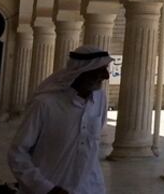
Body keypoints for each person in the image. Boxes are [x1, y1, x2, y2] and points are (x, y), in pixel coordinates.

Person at [8, 45, 112, 194]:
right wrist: (45, 188)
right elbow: (17, 153)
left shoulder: (100, 98)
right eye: (99, 70)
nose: (106, 76)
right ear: (81, 72)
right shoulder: (45, 104)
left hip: (90, 188)